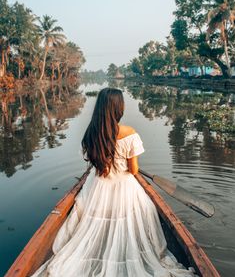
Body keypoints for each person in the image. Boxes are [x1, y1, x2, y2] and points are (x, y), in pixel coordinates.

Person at [31, 88, 196, 277]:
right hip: (124, 186)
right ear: (119, 108)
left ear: (99, 108)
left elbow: (91, 162)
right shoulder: (129, 133)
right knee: (147, 208)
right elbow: (133, 170)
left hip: (97, 185)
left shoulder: (90, 133)